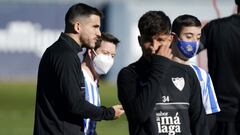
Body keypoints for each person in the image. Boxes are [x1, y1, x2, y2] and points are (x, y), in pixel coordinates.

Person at [33, 3, 123, 135]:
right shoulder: (66, 56)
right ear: (78, 27)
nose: (99, 33)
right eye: (95, 27)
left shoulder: (60, 51)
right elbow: (75, 104)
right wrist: (108, 113)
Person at [117, 10, 209, 135]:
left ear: (170, 39)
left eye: (160, 39)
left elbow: (199, 123)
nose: (154, 47)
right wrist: (159, 67)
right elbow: (139, 115)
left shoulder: (187, 73)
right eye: (148, 40)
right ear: (140, 41)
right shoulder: (128, 75)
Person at [171, 14, 221, 133]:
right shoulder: (159, 72)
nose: (194, 42)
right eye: (189, 36)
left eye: (198, 38)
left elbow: (210, 114)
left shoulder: (202, 75)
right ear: (173, 37)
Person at [199, 0, 240, 134]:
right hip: (222, 116)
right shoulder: (215, 27)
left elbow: (186, 51)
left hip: (221, 117)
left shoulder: (216, 27)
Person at [80, 32, 122, 135]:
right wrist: (107, 113)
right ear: (91, 52)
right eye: (105, 53)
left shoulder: (94, 82)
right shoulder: (78, 78)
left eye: (112, 56)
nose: (109, 59)